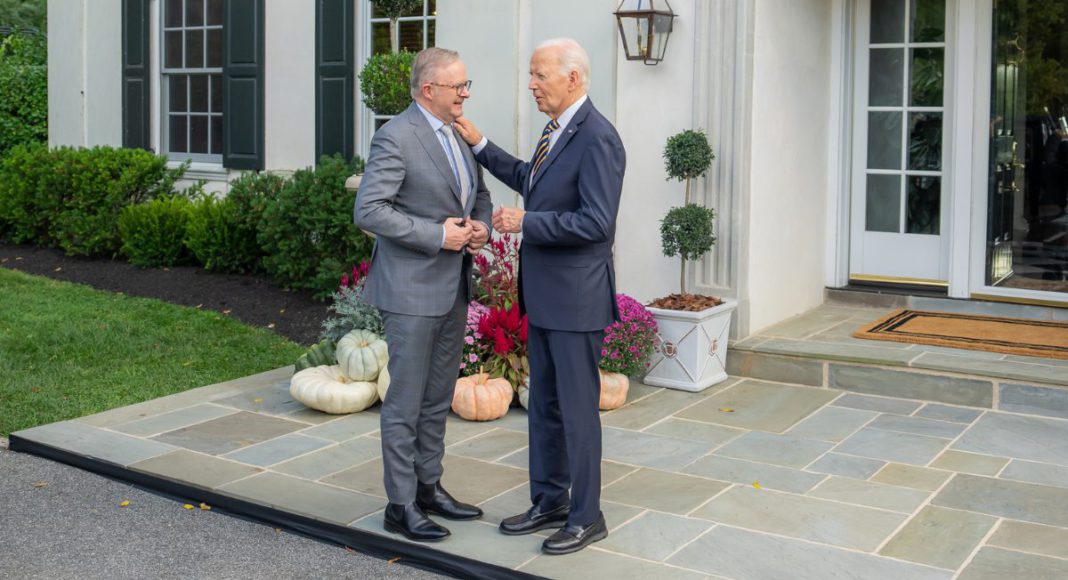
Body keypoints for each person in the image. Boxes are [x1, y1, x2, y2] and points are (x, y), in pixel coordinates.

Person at [454, 37, 625, 555]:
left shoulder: (599, 138)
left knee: (577, 412)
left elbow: (597, 223)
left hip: (575, 302)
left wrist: (529, 222)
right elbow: (534, 181)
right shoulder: (557, 131)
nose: (531, 84)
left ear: (572, 78)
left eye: (539, 75)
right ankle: (550, 500)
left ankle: (587, 515)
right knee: (546, 407)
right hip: (546, 298)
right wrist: (482, 146)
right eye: (531, 75)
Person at [354, 46, 493, 542]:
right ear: (428, 90)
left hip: (452, 286)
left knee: (437, 399)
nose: (466, 93)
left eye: (466, 84)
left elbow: (477, 192)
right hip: (411, 290)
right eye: (459, 86)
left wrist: (478, 226)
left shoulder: (459, 132)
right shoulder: (396, 137)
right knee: (405, 403)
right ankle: (400, 504)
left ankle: (430, 488)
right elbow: (369, 210)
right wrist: (438, 235)